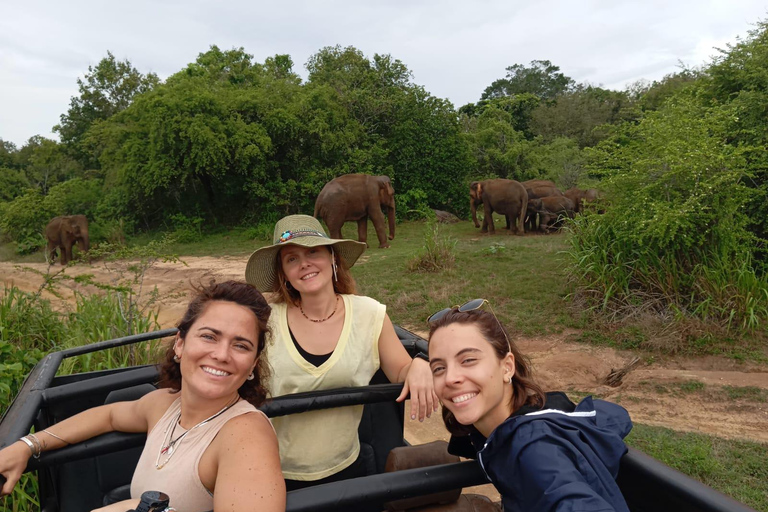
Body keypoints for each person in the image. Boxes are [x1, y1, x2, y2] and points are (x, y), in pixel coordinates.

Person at [0, 281, 285, 512]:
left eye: (241, 345)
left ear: (252, 364)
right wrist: (28, 444)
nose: (222, 355)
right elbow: (108, 415)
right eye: (209, 336)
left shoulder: (246, 436)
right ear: (181, 343)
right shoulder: (164, 404)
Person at [244, 214, 437, 490]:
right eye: (292, 259)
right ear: (283, 273)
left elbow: (401, 369)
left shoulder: (369, 313)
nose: (305, 264)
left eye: (313, 252)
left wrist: (419, 365)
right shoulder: (265, 321)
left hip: (349, 468)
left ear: (332, 257)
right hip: (274, 473)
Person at [427, 300, 633, 512]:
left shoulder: (532, 448)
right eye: (439, 368)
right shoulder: (521, 422)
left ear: (507, 367)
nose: (450, 378)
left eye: (468, 360)